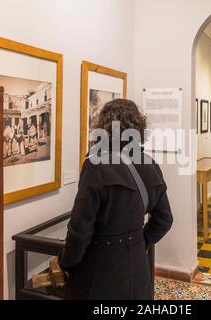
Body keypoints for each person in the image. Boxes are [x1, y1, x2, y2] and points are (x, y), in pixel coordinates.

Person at [58, 99, 173, 300]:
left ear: (105, 126)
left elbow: (80, 228)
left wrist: (66, 262)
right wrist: (142, 241)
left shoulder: (96, 164)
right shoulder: (149, 164)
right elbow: (164, 220)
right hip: (137, 266)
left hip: (100, 270)